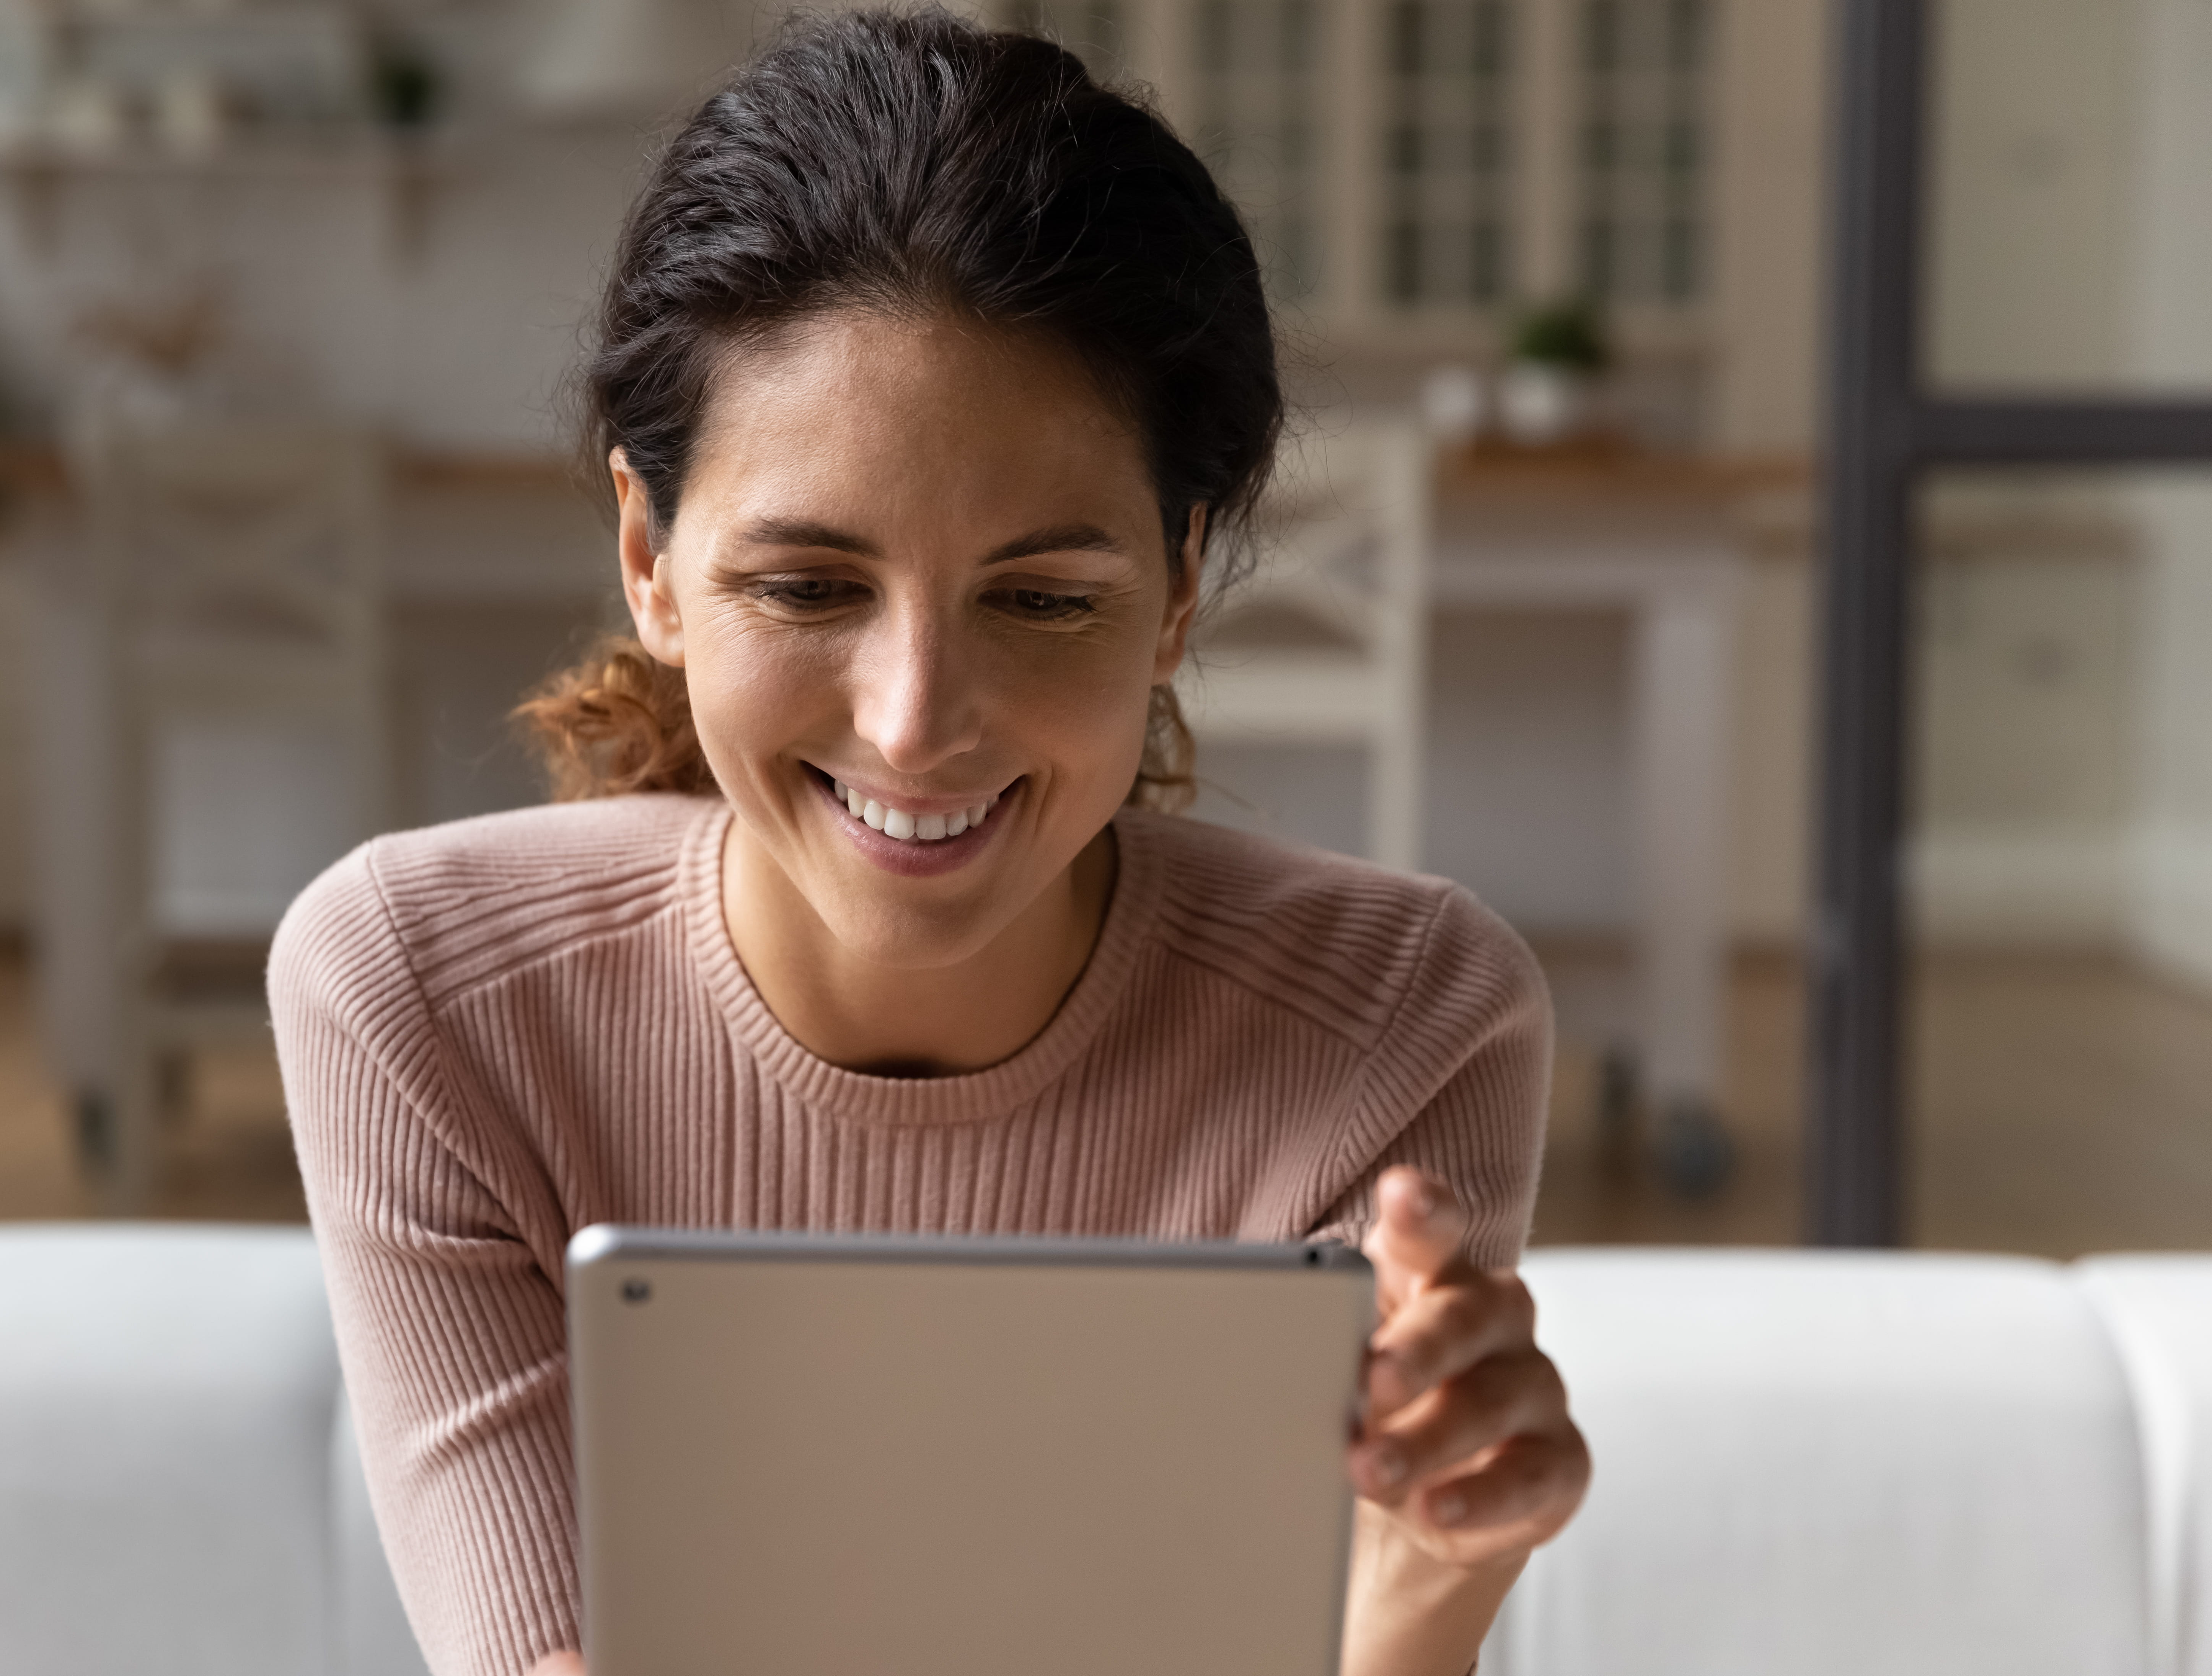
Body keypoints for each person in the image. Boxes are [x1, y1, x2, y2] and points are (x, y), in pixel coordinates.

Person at [271, 11, 1589, 1675]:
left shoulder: (1407, 1016)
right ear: (647, 558)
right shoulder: (423, 994)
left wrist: (1417, 1602)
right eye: (806, 587)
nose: (911, 721)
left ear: (1178, 589)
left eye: (1042, 599)